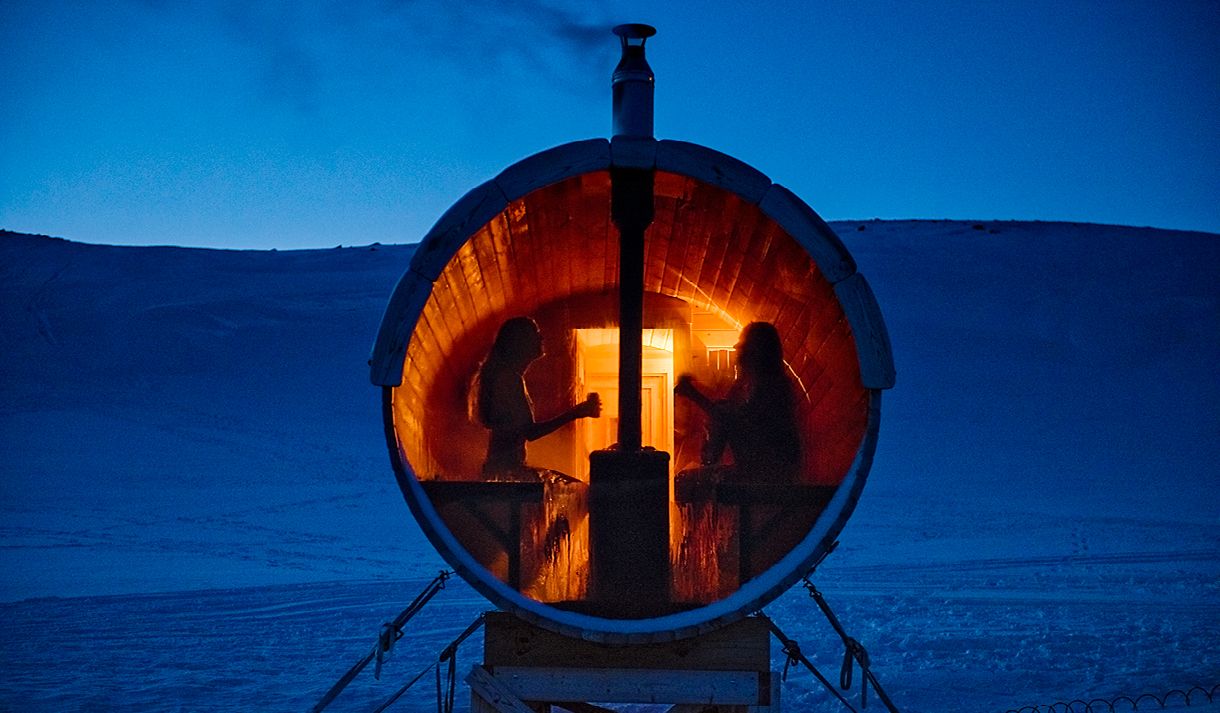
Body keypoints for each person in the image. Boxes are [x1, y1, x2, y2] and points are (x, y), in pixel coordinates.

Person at [474, 317, 601, 479]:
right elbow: (530, 432)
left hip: (503, 470)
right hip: (504, 473)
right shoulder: (508, 380)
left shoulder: (511, 377)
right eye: (536, 333)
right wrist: (576, 412)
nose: (541, 338)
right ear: (520, 343)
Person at [674, 321, 801, 484]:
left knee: (692, 480)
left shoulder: (774, 386)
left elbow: (740, 421)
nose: (736, 348)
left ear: (756, 351)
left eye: (743, 344)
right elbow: (731, 415)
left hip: (769, 476)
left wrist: (697, 397)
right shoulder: (748, 385)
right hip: (757, 471)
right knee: (691, 478)